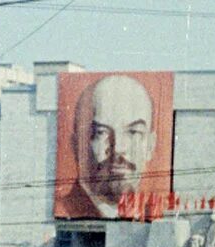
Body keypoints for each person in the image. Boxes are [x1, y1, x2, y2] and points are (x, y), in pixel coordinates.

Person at [59, 73, 161, 218]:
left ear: (150, 146)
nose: (118, 148)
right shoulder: (65, 210)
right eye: (101, 133)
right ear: (76, 145)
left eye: (133, 132)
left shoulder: (151, 213)